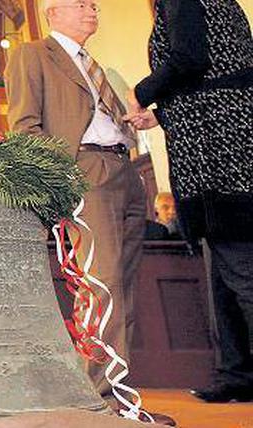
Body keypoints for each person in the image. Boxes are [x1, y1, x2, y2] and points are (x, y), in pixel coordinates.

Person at [4, 1, 170, 423]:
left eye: (93, 4)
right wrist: (65, 177)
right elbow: (24, 126)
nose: (92, 10)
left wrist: (135, 124)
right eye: (80, 4)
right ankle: (98, 401)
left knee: (123, 288)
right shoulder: (33, 54)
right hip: (86, 171)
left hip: (125, 170)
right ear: (53, 13)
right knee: (102, 284)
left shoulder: (95, 65)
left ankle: (118, 397)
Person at [124, 0, 253, 404]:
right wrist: (163, 115)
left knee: (242, 271)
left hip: (219, 160)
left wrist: (140, 93)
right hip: (229, 145)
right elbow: (218, 77)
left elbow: (189, 58)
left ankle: (238, 372)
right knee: (226, 275)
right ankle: (237, 374)